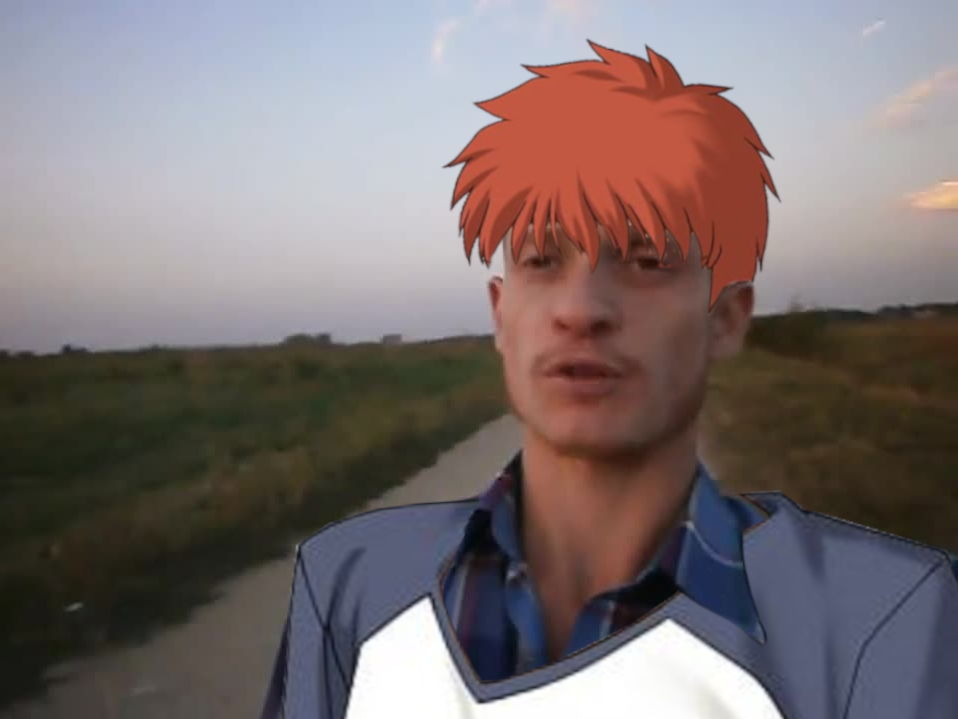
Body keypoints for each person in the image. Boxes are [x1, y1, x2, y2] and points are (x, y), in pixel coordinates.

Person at [260, 42, 958, 719]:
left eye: (647, 261)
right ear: (501, 315)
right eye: (541, 259)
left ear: (725, 319)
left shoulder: (879, 615)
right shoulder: (351, 585)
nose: (581, 309)